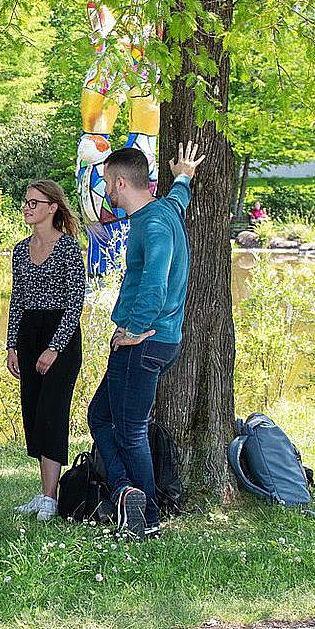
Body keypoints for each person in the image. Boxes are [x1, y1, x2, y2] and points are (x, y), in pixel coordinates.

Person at [88, 141, 204, 539]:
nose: (105, 191)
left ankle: (147, 516)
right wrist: (184, 176)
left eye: (106, 183)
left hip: (145, 342)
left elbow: (155, 281)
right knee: (100, 416)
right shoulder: (165, 210)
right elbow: (179, 199)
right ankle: (126, 492)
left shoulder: (152, 224)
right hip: (160, 341)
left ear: (121, 182)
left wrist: (134, 329)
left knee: (131, 430)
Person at [4, 178, 86, 522]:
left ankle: (50, 500)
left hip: (61, 337)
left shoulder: (68, 248)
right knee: (35, 414)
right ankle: (43, 494)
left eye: (34, 203)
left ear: (52, 208)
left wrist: (54, 347)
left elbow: (75, 301)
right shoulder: (21, 250)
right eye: (26, 202)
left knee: (52, 413)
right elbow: (17, 298)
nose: (27, 207)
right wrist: (11, 344)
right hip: (28, 335)